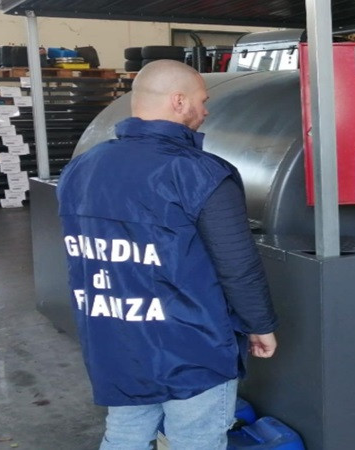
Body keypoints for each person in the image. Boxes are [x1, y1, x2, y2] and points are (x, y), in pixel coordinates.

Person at [56, 60, 279, 449]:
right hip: (192, 344)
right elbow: (237, 265)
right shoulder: (201, 173)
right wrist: (260, 325)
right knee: (196, 440)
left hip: (114, 337)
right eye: (202, 101)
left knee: (125, 434)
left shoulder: (81, 169)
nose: (205, 111)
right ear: (179, 101)